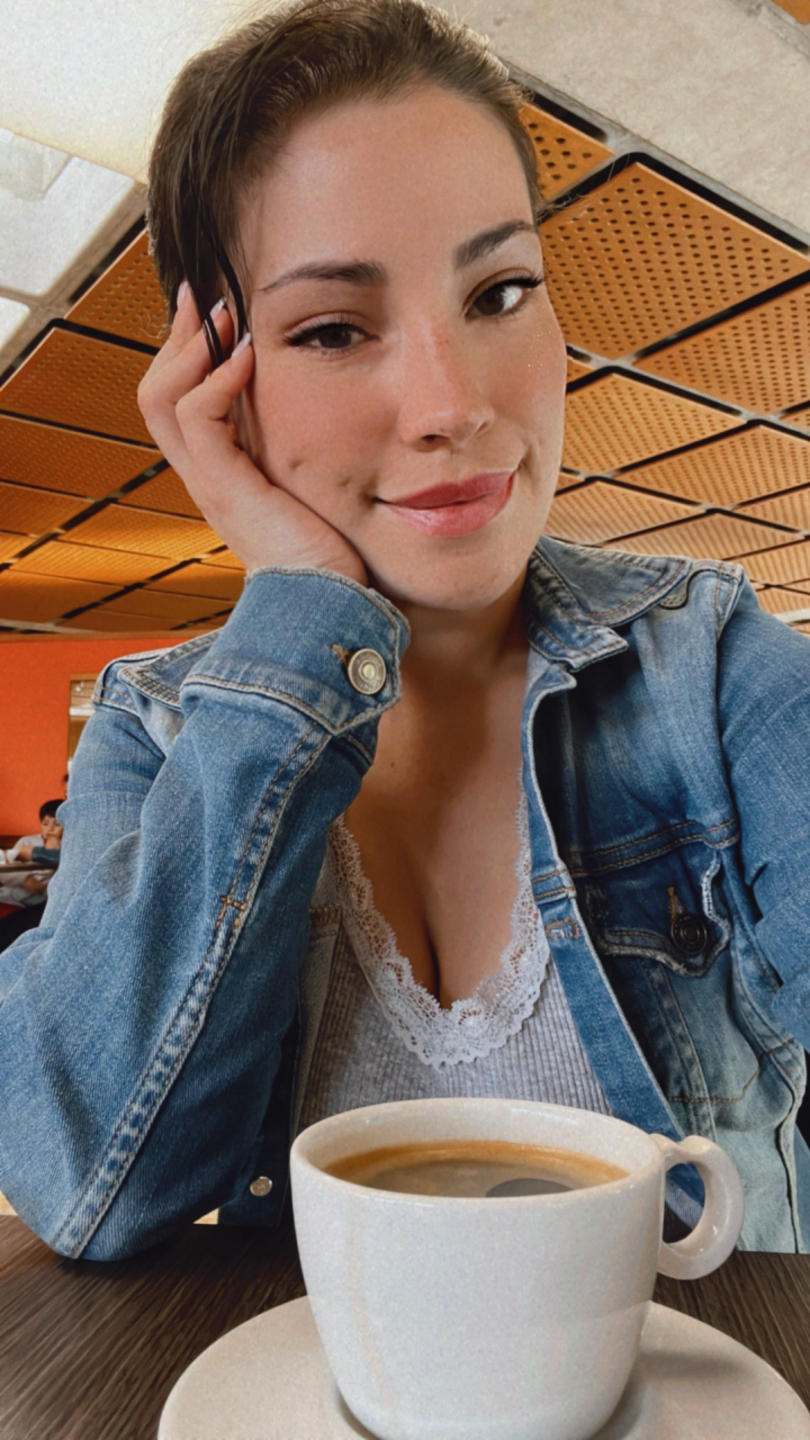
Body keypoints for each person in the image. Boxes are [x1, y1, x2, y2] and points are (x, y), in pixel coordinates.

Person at [0, 0, 807, 1261]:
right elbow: (91, 1185)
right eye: (332, 328)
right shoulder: (154, 733)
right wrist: (306, 610)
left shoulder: (713, 669)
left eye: (500, 291)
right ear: (217, 383)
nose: (451, 404)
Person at [0, 801, 63, 951]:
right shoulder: (27, 842)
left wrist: (54, 844)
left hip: (41, 902)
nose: (50, 829)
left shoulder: (67, 847)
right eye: (46, 824)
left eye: (57, 824)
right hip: (13, 895)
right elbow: (6, 871)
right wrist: (25, 880)